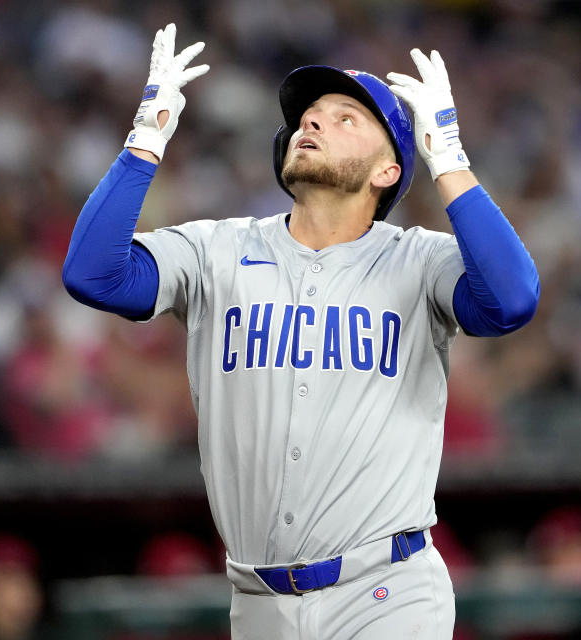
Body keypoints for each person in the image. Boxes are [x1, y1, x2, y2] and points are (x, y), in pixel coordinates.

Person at [63, 23, 539, 640]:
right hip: (258, 601)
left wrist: (447, 157)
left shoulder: (420, 260)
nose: (311, 123)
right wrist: (145, 137)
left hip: (387, 593)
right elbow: (93, 276)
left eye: (345, 119)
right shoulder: (216, 250)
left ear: (388, 170)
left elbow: (512, 300)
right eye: (309, 116)